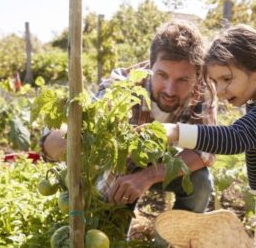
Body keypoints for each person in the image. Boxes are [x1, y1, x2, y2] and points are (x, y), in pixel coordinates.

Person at [40, 20, 215, 213]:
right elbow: (85, 140)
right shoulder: (122, 87)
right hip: (122, 166)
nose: (170, 90)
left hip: (163, 163)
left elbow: (205, 151)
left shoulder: (203, 90)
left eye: (183, 79)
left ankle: (176, 240)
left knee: (201, 182)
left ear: (197, 74)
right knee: (109, 222)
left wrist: (147, 176)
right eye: (162, 75)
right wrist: (59, 140)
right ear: (150, 65)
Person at [161, 24, 256, 248]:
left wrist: (175, 132)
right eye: (215, 82)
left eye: (227, 79)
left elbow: (234, 138)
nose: (219, 90)